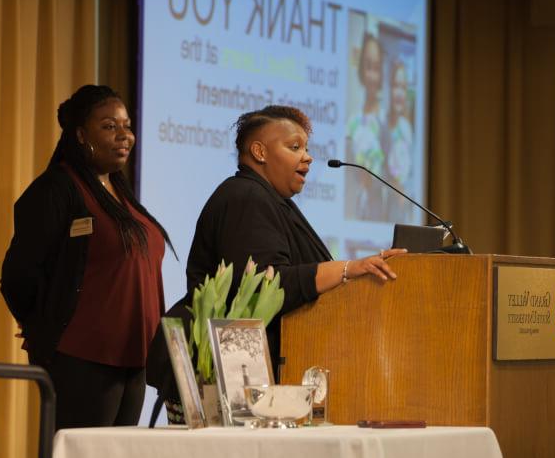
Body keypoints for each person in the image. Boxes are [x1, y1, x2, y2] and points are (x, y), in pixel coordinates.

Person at [146, 105, 406, 418]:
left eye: (307, 148)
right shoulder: (244, 197)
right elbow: (265, 287)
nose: (307, 157)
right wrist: (350, 269)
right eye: (294, 147)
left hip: (249, 382)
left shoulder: (272, 201)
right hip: (218, 382)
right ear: (259, 151)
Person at [0, 84, 174, 429]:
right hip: (83, 357)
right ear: (81, 135)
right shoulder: (56, 189)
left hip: (133, 356)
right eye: (109, 126)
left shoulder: (118, 193)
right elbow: (19, 275)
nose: (124, 135)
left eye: (126, 126)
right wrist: (46, 323)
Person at [346, 32, 386, 220]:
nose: (372, 75)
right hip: (356, 210)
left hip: (382, 210)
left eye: (377, 68)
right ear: (361, 70)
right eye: (368, 67)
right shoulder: (352, 121)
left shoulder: (388, 121)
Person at [382, 60, 416, 223]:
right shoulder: (380, 123)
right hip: (381, 206)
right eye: (396, 86)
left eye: (403, 87)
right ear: (388, 89)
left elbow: (411, 176)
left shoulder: (407, 129)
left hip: (402, 209)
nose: (399, 93)